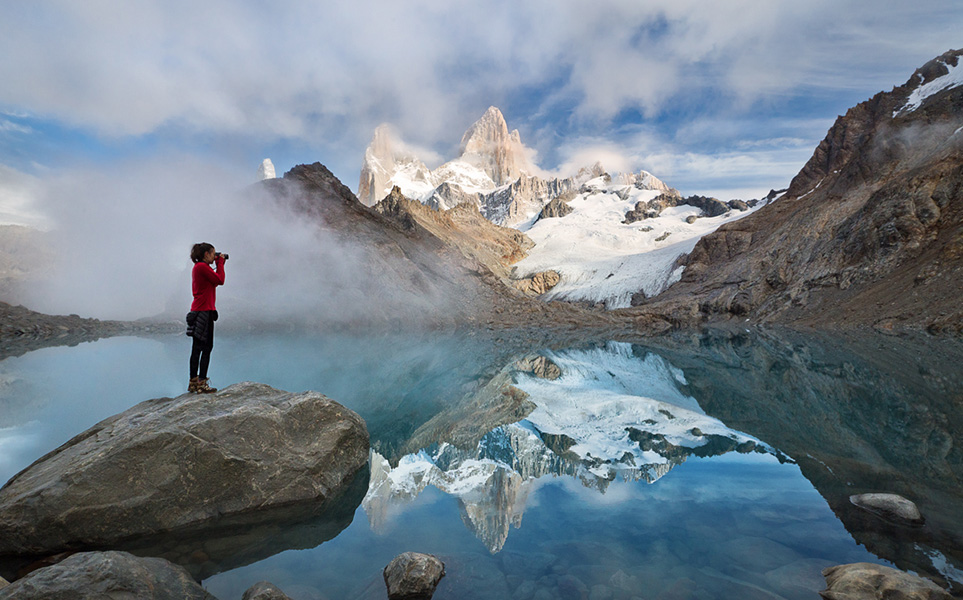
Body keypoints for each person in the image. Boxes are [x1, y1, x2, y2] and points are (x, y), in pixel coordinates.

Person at [186, 242, 226, 393]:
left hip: (200, 310)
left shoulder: (200, 268)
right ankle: (201, 382)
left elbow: (213, 282)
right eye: (213, 253)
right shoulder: (202, 267)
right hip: (204, 312)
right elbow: (220, 280)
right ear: (206, 254)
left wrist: (216, 263)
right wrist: (220, 263)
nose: (215, 256)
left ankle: (193, 382)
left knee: (197, 349)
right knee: (206, 348)